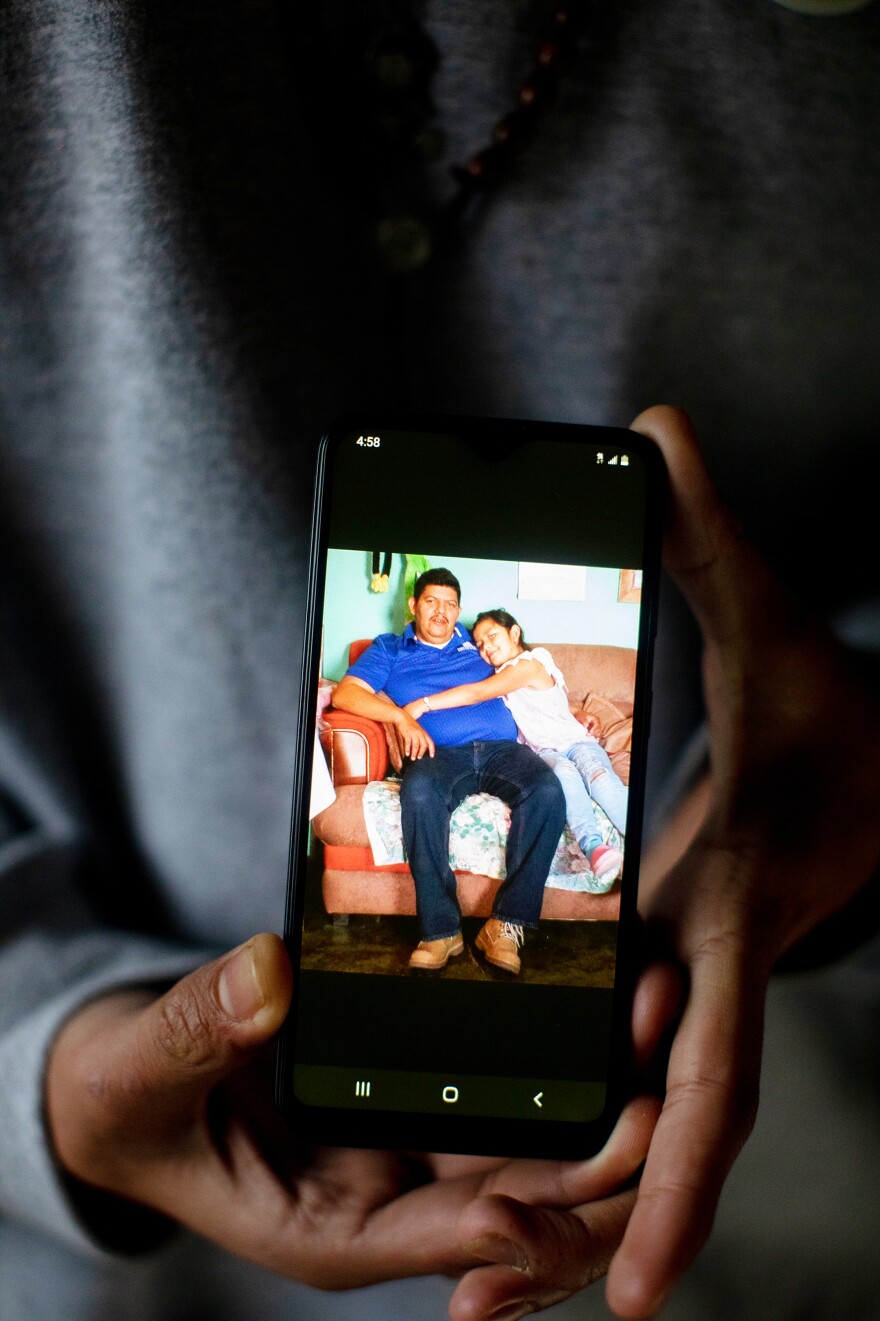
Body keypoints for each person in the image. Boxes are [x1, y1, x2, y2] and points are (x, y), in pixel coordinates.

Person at [3, 4, 880, 1321]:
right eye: (448, 625)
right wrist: (27, 1052)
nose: (459, 635)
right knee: (426, 790)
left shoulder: (485, 661)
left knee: (532, 789)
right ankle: (430, 934)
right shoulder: (384, 650)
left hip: (794, 1143)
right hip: (91, 1272)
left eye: (476, 625)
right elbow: (363, 693)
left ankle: (514, 929)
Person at [331, 569, 567, 974]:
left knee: (547, 790)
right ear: (413, 605)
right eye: (432, 601)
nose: (442, 612)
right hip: (439, 754)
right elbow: (346, 692)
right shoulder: (389, 648)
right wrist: (399, 719)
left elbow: (529, 682)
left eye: (451, 604)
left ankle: (506, 925)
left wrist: (568, 717)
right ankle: (441, 931)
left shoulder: (481, 643)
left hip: (502, 749)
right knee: (419, 793)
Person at [403, 607, 628, 892]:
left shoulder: (530, 662)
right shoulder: (505, 674)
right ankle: (594, 847)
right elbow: (547, 700)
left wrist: (422, 704)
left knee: (601, 782)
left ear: (514, 632)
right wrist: (577, 710)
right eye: (480, 644)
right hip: (545, 753)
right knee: (566, 778)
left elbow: (477, 693)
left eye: (492, 636)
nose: (486, 647)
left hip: (576, 742)